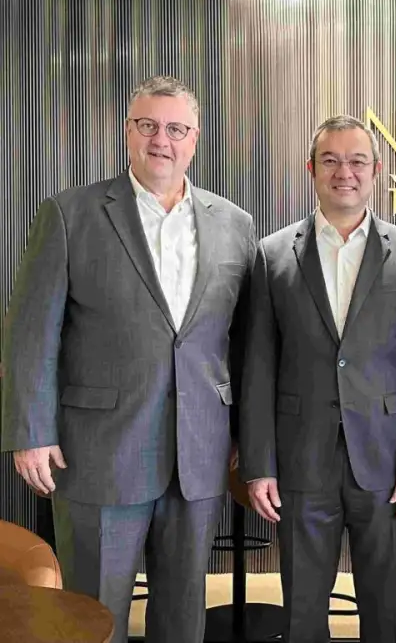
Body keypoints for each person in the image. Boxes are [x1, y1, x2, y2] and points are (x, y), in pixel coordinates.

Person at [0, 75, 256, 643]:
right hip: (98, 450)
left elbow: (243, 343)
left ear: (195, 139)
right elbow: (30, 332)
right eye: (148, 126)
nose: (161, 140)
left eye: (176, 129)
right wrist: (30, 432)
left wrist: (244, 432)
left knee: (183, 614)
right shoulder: (70, 213)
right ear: (127, 132)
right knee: (95, 614)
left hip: (200, 451)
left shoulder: (234, 225)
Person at [239, 115, 396, 643]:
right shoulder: (272, 254)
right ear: (311, 169)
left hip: (385, 461)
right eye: (330, 160)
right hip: (301, 459)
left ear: (376, 170)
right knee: (302, 608)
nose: (344, 172)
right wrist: (259, 464)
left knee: (385, 609)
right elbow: (258, 368)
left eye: (357, 161)